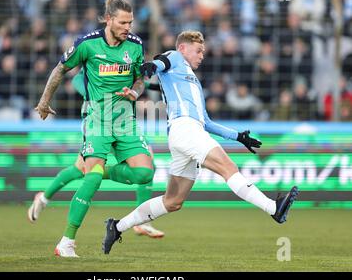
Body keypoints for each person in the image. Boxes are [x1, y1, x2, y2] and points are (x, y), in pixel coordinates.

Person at [102, 30, 299, 254]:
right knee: (228, 168)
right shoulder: (176, 58)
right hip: (185, 130)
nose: (202, 55)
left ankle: (117, 226)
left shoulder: (192, 82)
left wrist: (238, 136)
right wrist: (152, 67)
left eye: (203, 51)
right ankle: (273, 208)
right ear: (183, 48)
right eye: (198, 50)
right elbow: (162, 61)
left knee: (173, 202)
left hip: (185, 133)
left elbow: (206, 121)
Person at [35, 0, 155, 257]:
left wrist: (135, 92)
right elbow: (59, 71)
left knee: (145, 174)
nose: (128, 27)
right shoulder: (87, 44)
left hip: (125, 119)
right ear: (109, 19)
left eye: (131, 22)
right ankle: (66, 241)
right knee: (92, 177)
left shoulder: (135, 45)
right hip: (97, 117)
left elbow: (140, 80)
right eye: (123, 22)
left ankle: (101, 169)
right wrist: (44, 102)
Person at [28, 70, 165, 239]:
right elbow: (79, 78)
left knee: (147, 165)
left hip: (122, 120)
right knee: (80, 169)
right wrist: (97, 92)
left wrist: (153, 86)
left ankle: (143, 221)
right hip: (96, 119)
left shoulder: (126, 55)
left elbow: (134, 81)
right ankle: (43, 198)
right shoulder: (95, 54)